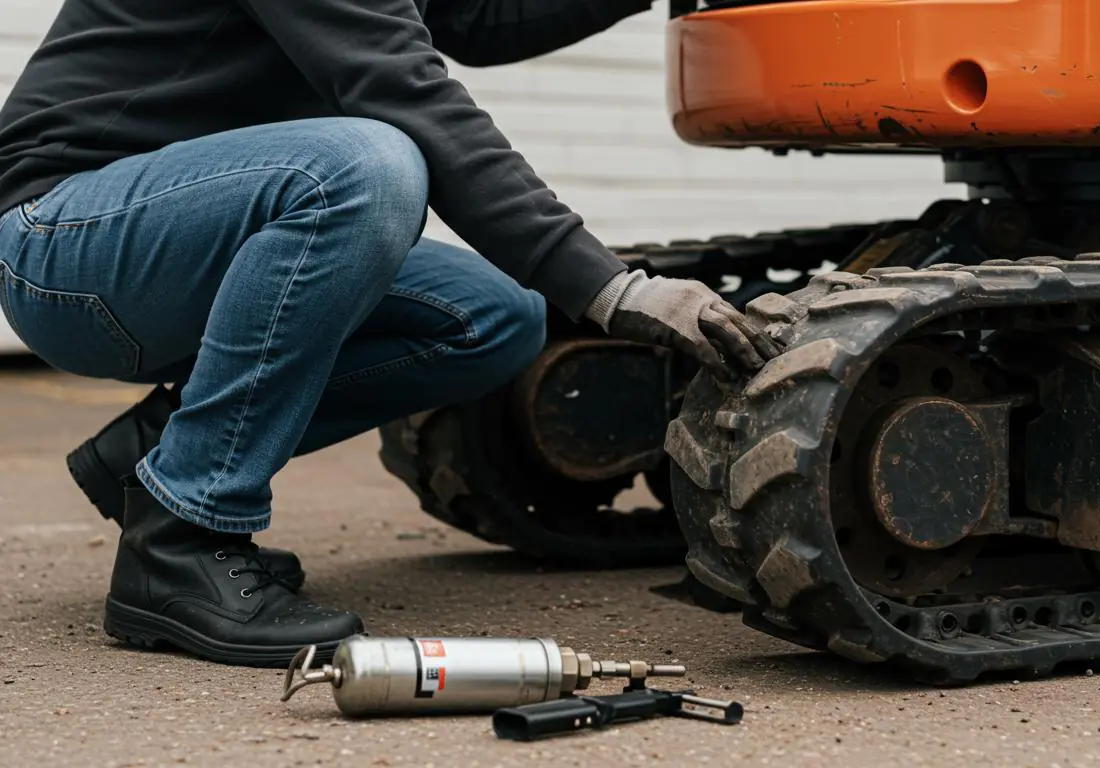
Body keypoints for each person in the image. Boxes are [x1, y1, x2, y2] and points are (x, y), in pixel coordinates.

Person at [0, 0, 780, 667]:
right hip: (67, 239)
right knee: (364, 167)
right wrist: (611, 286)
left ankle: (158, 461)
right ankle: (179, 544)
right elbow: (399, 83)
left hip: (190, 237)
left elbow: (472, 20)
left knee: (496, 316)